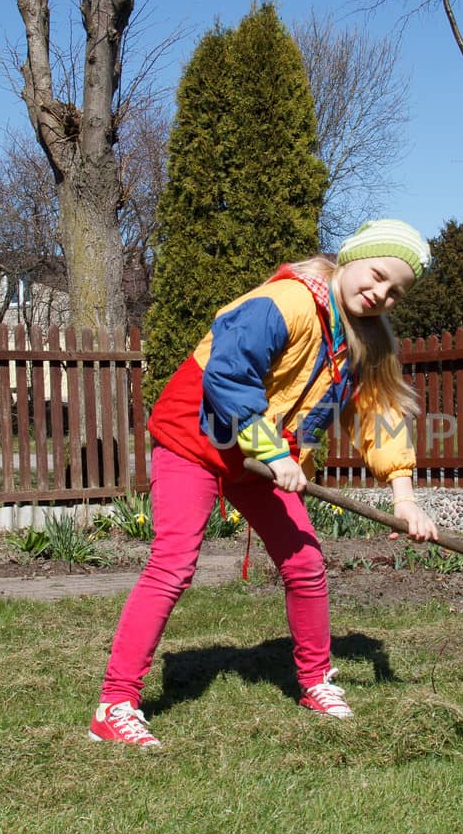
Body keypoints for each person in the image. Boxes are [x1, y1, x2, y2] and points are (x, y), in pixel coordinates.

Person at [90, 219, 439, 747]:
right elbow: (227, 374)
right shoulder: (287, 301)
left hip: (262, 460)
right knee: (174, 564)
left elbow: (382, 417)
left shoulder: (366, 341)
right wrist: (274, 452)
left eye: (395, 292)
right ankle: (115, 704)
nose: (380, 294)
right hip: (198, 441)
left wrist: (405, 498)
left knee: (305, 562)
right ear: (350, 258)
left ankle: (316, 680)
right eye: (376, 275)